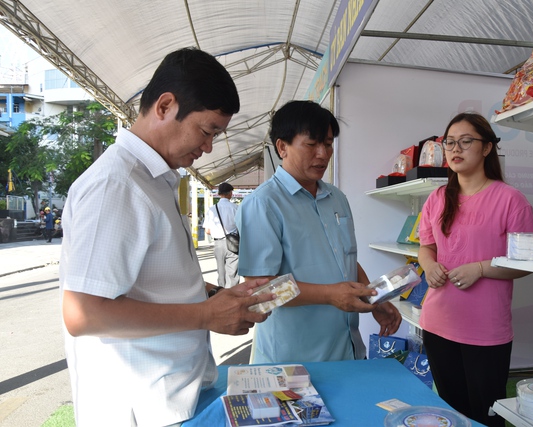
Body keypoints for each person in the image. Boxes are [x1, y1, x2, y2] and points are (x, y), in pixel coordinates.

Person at [59, 47, 275, 427]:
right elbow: (83, 313)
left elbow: (151, 280)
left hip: (172, 396)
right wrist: (206, 314)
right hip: (139, 407)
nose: (208, 147)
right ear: (165, 106)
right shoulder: (117, 184)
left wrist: (214, 295)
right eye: (207, 131)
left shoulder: (153, 180)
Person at [236, 100, 402, 364]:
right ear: (282, 147)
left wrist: (374, 299)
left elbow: (345, 260)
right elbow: (261, 290)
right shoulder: (263, 203)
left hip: (347, 352)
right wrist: (330, 295)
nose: (323, 154)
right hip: (294, 361)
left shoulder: (336, 197)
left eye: (327, 143)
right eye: (311, 144)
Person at [417, 112, 533, 427]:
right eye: (450, 143)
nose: (456, 149)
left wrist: (482, 268)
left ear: (486, 148)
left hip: (485, 330)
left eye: (465, 141)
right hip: (438, 323)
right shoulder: (437, 198)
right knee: (451, 414)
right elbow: (426, 246)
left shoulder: (511, 200)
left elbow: (525, 264)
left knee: (486, 415)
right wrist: (428, 265)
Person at [204, 182, 240, 288]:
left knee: (221, 272)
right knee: (232, 272)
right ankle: (233, 294)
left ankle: (221, 294)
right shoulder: (236, 208)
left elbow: (207, 231)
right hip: (233, 242)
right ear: (230, 193)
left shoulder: (211, 210)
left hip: (218, 243)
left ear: (219, 194)